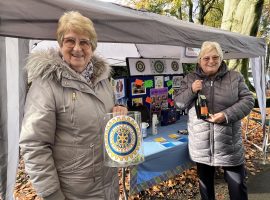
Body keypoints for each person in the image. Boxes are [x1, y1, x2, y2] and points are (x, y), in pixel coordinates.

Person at [19, 11, 127, 200]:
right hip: (73, 193)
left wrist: (119, 112)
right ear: (60, 44)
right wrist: (52, 194)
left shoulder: (103, 81)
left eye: (84, 42)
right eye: (70, 40)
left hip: (108, 186)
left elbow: (107, 117)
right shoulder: (46, 85)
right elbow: (34, 145)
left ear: (92, 47)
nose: (77, 48)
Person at [174, 41, 254, 200]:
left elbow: (248, 100)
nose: (211, 61)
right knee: (206, 190)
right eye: (206, 58)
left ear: (221, 58)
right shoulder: (190, 78)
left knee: (237, 187)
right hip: (202, 145)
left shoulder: (234, 77)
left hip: (229, 145)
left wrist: (226, 115)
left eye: (215, 57)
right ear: (199, 60)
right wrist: (191, 90)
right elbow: (178, 104)